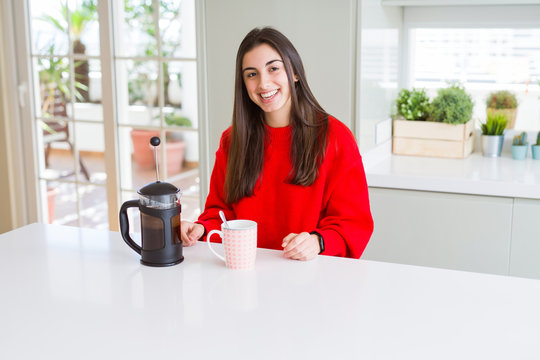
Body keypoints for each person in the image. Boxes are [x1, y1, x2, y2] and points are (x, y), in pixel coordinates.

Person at [180, 27, 373, 260]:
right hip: (245, 275)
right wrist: (201, 228)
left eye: (273, 68)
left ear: (295, 73)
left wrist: (318, 241)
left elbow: (352, 224)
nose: (263, 83)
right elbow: (219, 213)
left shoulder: (336, 138)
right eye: (252, 74)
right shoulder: (232, 140)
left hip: (309, 277)